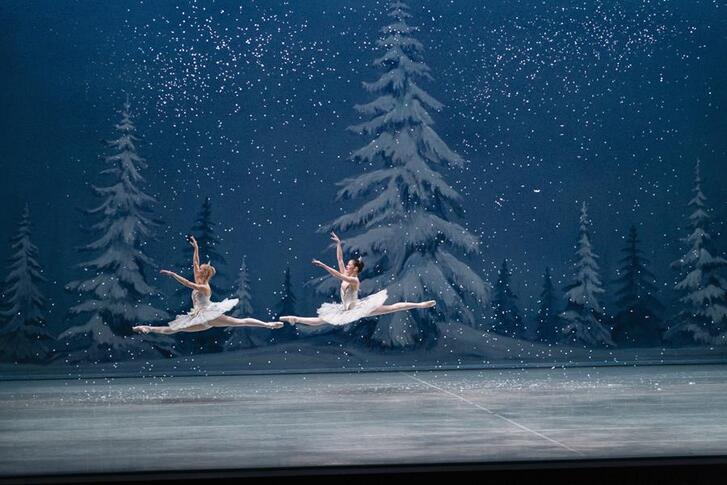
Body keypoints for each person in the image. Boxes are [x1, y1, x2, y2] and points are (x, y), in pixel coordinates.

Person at [133, 235, 283, 335]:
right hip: (199, 317)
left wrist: (173, 275)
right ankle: (148, 328)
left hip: (210, 314)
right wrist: (196, 247)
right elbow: (195, 262)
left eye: (200, 270)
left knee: (239, 322)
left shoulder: (204, 287)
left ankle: (268, 325)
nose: (197, 270)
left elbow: (187, 283)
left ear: (203, 274)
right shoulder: (199, 278)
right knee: (175, 328)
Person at [279, 232, 436, 326]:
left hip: (358, 308)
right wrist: (339, 244)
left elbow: (337, 274)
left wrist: (322, 265)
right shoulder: (347, 274)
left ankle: (420, 304)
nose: (346, 266)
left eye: (349, 265)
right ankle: (295, 319)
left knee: (392, 307)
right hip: (345, 309)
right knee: (320, 321)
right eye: (347, 265)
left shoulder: (354, 281)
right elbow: (340, 260)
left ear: (355, 269)